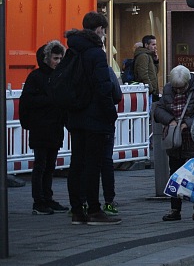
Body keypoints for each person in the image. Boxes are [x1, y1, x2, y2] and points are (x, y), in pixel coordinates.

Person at [65, 11, 121, 225]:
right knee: (93, 164)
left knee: (77, 162)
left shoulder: (73, 49)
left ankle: (77, 211)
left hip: (76, 115)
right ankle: (95, 210)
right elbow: (103, 86)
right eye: (103, 30)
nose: (104, 34)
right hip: (95, 115)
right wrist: (109, 114)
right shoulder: (96, 53)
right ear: (98, 30)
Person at [18, 40, 69, 215]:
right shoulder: (36, 77)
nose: (59, 62)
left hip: (54, 125)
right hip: (41, 126)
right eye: (56, 58)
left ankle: (47, 198)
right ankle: (38, 201)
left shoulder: (59, 76)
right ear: (47, 58)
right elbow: (27, 102)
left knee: (50, 165)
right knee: (41, 164)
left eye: (61, 58)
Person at [154, 65, 194, 221]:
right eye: (175, 88)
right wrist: (170, 120)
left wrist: (188, 123)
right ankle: (175, 209)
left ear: (188, 82)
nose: (178, 91)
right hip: (175, 139)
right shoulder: (168, 90)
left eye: (181, 87)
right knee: (175, 174)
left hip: (192, 139)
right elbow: (158, 110)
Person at [101, 66, 123, 215]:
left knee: (83, 162)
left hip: (81, 122)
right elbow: (117, 95)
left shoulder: (74, 66)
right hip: (103, 120)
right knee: (105, 161)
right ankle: (108, 201)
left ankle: (80, 203)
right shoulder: (105, 70)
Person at [134, 34, 160, 101]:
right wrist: (150, 89)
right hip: (147, 92)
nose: (155, 47)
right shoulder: (143, 56)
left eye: (155, 44)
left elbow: (155, 72)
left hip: (150, 91)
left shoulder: (149, 56)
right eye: (153, 45)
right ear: (146, 45)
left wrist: (156, 61)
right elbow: (143, 75)